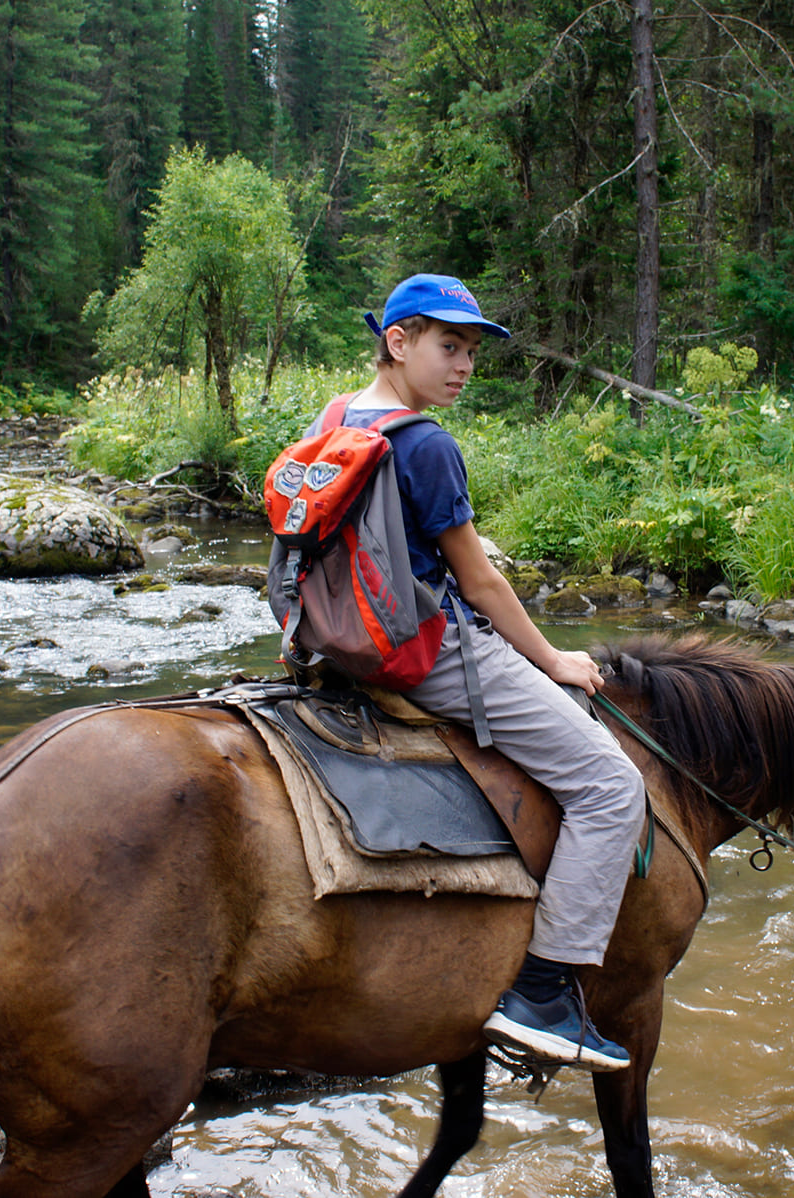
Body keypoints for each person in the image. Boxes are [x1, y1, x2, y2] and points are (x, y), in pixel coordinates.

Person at [343, 273, 646, 1071]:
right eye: (449, 345)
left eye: (472, 350)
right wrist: (549, 659)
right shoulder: (425, 443)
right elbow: (479, 582)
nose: (464, 365)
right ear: (398, 341)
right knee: (613, 789)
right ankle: (542, 992)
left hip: (338, 645)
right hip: (429, 654)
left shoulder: (335, 419)